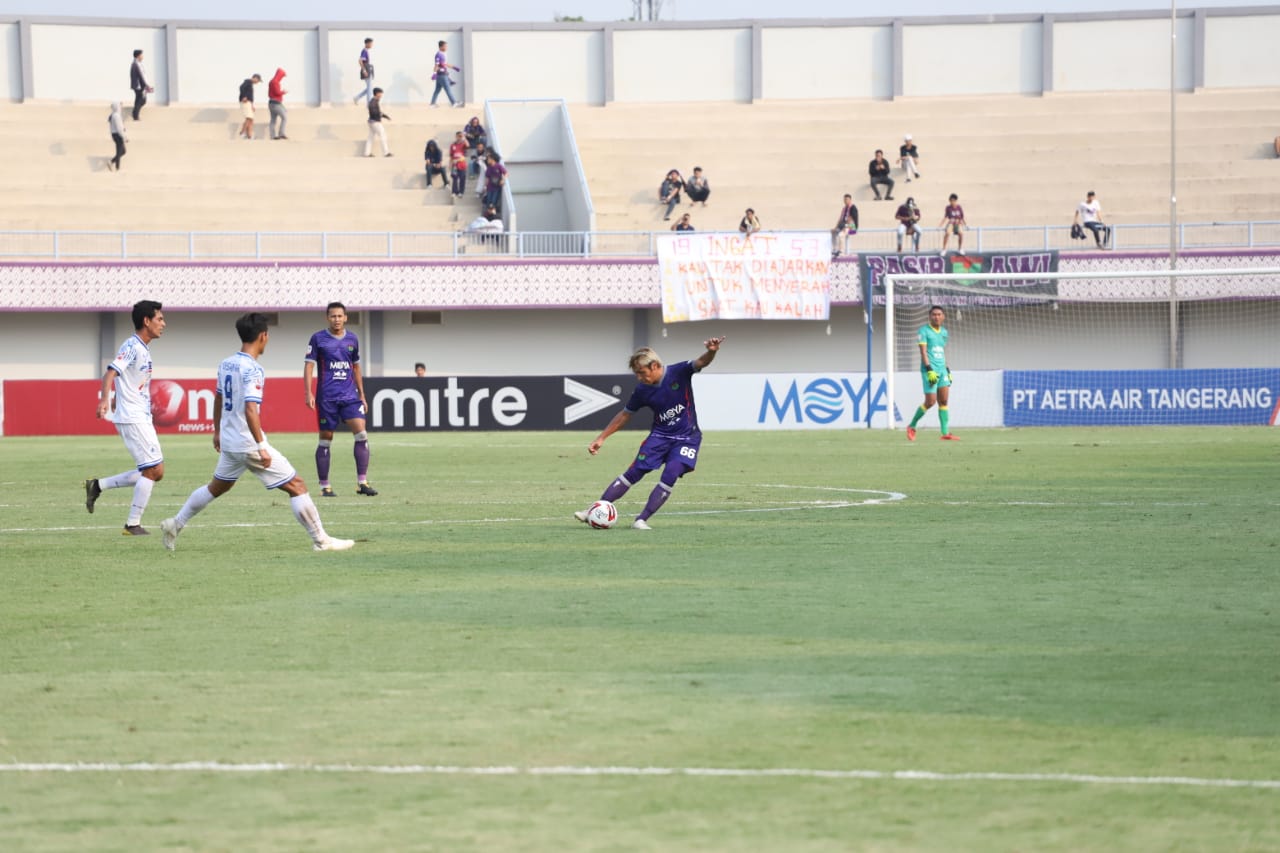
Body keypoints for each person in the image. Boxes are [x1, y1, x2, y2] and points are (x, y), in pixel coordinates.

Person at [161, 313, 355, 553]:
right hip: (248, 442)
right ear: (263, 336)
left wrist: (217, 431)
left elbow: (219, 397)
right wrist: (261, 445)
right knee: (296, 485)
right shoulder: (253, 369)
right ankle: (322, 541)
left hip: (231, 442)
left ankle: (175, 524)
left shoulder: (226, 363)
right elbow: (251, 409)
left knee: (216, 488)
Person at [573, 337, 725, 530]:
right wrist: (602, 438)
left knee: (671, 473)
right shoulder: (642, 390)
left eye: (641, 373)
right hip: (659, 437)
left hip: (687, 438)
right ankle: (592, 510)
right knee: (634, 473)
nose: (639, 377)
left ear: (654, 366)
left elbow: (701, 362)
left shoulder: (679, 372)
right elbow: (624, 415)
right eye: (636, 374)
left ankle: (641, 519)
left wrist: (712, 351)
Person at [85, 300, 167, 535]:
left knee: (155, 471)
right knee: (153, 470)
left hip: (138, 415)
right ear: (146, 321)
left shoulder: (143, 347)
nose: (163, 323)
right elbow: (111, 371)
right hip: (133, 417)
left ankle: (98, 486)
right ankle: (132, 524)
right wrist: (104, 400)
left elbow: (127, 380)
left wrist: (114, 399)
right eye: (160, 319)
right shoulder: (132, 345)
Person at [304, 302, 378, 498]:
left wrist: (362, 395)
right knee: (326, 440)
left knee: (361, 434)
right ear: (327, 318)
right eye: (333, 316)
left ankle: (362, 482)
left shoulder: (353, 339)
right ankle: (325, 486)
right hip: (327, 397)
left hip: (350, 396)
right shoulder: (318, 339)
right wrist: (308, 392)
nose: (336, 319)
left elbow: (356, 368)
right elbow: (309, 366)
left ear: (345, 317)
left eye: (340, 316)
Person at [905, 305, 957, 442]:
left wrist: (947, 370)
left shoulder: (944, 332)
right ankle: (911, 426)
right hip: (930, 370)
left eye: (939, 314)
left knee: (944, 400)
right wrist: (929, 369)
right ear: (929, 316)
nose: (936, 316)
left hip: (942, 369)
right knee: (930, 401)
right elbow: (923, 352)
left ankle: (945, 433)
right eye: (934, 314)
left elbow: (942, 351)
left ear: (943, 317)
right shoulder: (924, 331)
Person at [431, 40, 461, 108]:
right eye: (445, 46)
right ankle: (454, 103)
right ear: (441, 47)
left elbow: (445, 64)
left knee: (437, 90)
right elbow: (436, 65)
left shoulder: (442, 54)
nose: (446, 47)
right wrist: (434, 73)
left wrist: (454, 67)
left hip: (442, 75)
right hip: (442, 75)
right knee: (448, 89)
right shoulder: (438, 55)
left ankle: (432, 104)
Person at [364, 87, 391, 157]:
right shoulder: (373, 102)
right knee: (383, 135)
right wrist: (379, 116)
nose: (381, 95)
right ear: (377, 94)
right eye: (381, 93)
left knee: (370, 137)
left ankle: (367, 153)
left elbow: (378, 112)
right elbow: (374, 112)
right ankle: (386, 152)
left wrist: (385, 116)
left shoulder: (374, 101)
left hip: (372, 122)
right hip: (375, 122)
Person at [129, 49, 153, 121]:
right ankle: (135, 115)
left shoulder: (138, 64)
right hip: (139, 86)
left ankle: (135, 114)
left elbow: (143, 75)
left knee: (138, 100)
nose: (142, 56)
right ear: (138, 56)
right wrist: (146, 85)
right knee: (142, 100)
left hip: (140, 85)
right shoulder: (135, 64)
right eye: (141, 55)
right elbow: (140, 76)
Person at [237, 73, 261, 140]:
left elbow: (250, 96)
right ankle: (242, 133)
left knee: (251, 120)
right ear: (255, 78)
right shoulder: (247, 82)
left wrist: (252, 105)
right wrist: (244, 96)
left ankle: (249, 136)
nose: (258, 82)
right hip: (245, 102)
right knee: (249, 118)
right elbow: (241, 87)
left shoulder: (250, 84)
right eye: (258, 80)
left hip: (249, 103)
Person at [267, 67, 288, 140]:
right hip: (276, 103)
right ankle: (281, 133)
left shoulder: (272, 81)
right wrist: (283, 92)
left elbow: (270, 94)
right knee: (284, 117)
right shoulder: (275, 82)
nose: (282, 78)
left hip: (272, 103)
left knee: (273, 120)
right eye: (282, 76)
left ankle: (273, 136)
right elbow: (277, 92)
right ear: (279, 75)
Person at [353, 37, 374, 105]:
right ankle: (369, 104)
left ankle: (357, 97)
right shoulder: (364, 51)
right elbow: (360, 60)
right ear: (367, 43)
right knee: (370, 89)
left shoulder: (366, 51)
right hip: (366, 69)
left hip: (368, 69)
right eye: (371, 43)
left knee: (369, 88)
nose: (371, 45)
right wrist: (364, 70)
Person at [107, 102, 127, 172]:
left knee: (120, 151)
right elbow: (119, 128)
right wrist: (125, 137)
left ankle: (117, 167)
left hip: (114, 134)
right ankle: (112, 163)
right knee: (122, 151)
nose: (121, 108)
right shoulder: (117, 116)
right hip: (118, 135)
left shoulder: (112, 115)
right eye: (120, 106)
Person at [449, 131, 468, 199]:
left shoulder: (463, 144)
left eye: (461, 136)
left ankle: (461, 192)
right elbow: (451, 156)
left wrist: (464, 138)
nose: (459, 137)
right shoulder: (452, 145)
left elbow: (468, 146)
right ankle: (454, 192)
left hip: (462, 164)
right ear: (456, 136)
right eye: (458, 136)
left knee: (462, 178)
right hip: (454, 165)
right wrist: (450, 164)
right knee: (455, 178)